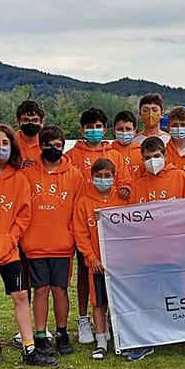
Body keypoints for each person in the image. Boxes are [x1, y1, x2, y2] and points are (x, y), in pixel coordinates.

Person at [0, 124, 56, 367]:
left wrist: (10, 238)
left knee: (20, 294)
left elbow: (23, 215)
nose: (0, 148)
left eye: (5, 143)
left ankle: (28, 348)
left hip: (7, 248)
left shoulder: (19, 178)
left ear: (12, 147)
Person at [127, 137, 185, 361]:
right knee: (148, 298)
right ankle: (148, 340)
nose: (152, 161)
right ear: (142, 159)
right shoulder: (138, 184)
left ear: (165, 156)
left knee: (184, 297)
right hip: (148, 254)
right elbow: (131, 218)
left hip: (176, 252)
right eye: (147, 158)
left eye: (156, 156)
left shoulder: (179, 177)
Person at [67, 108, 131, 346]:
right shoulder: (72, 155)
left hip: (109, 229)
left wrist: (126, 189)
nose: (94, 131)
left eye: (98, 126)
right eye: (89, 127)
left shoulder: (114, 154)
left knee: (111, 275)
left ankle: (112, 321)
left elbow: (124, 182)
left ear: (105, 129)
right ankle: (85, 319)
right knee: (86, 273)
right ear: (82, 130)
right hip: (84, 219)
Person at [22, 125, 85, 357]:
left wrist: (72, 236)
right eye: (48, 145)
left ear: (64, 145)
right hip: (35, 244)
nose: (53, 149)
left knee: (60, 290)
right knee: (40, 290)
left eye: (58, 145)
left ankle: (62, 332)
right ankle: (40, 335)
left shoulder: (75, 174)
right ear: (40, 145)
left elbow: (78, 210)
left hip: (63, 245)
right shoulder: (27, 173)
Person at [72, 158, 126, 360]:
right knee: (98, 301)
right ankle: (101, 339)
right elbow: (81, 234)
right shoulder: (84, 202)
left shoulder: (122, 199)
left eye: (107, 176)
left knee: (120, 300)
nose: (103, 180)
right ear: (92, 177)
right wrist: (91, 257)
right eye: (99, 176)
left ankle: (122, 336)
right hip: (97, 264)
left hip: (119, 262)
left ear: (114, 177)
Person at [111, 110, 143, 180]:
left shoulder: (142, 152)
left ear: (135, 130)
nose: (124, 132)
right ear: (114, 130)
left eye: (128, 129)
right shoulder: (109, 152)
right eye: (120, 129)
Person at [15, 99, 46, 167]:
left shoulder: (47, 144)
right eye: (26, 120)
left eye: (35, 120)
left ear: (42, 122)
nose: (30, 123)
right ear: (18, 121)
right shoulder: (10, 144)